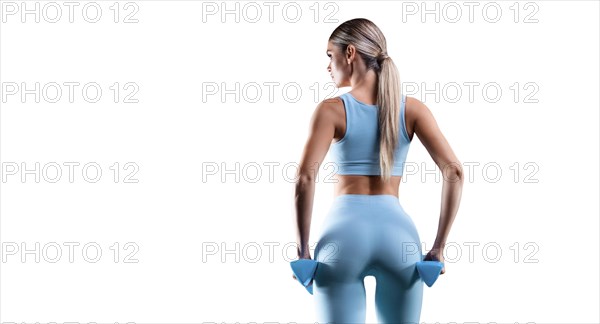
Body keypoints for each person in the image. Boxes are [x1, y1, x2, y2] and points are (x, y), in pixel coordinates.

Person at [292, 18, 464, 323]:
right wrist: (438, 247)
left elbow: (305, 178)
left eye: (330, 55)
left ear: (350, 53)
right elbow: (454, 172)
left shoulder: (331, 110)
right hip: (399, 240)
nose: (328, 66)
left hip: (341, 240)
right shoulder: (413, 110)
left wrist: (303, 249)